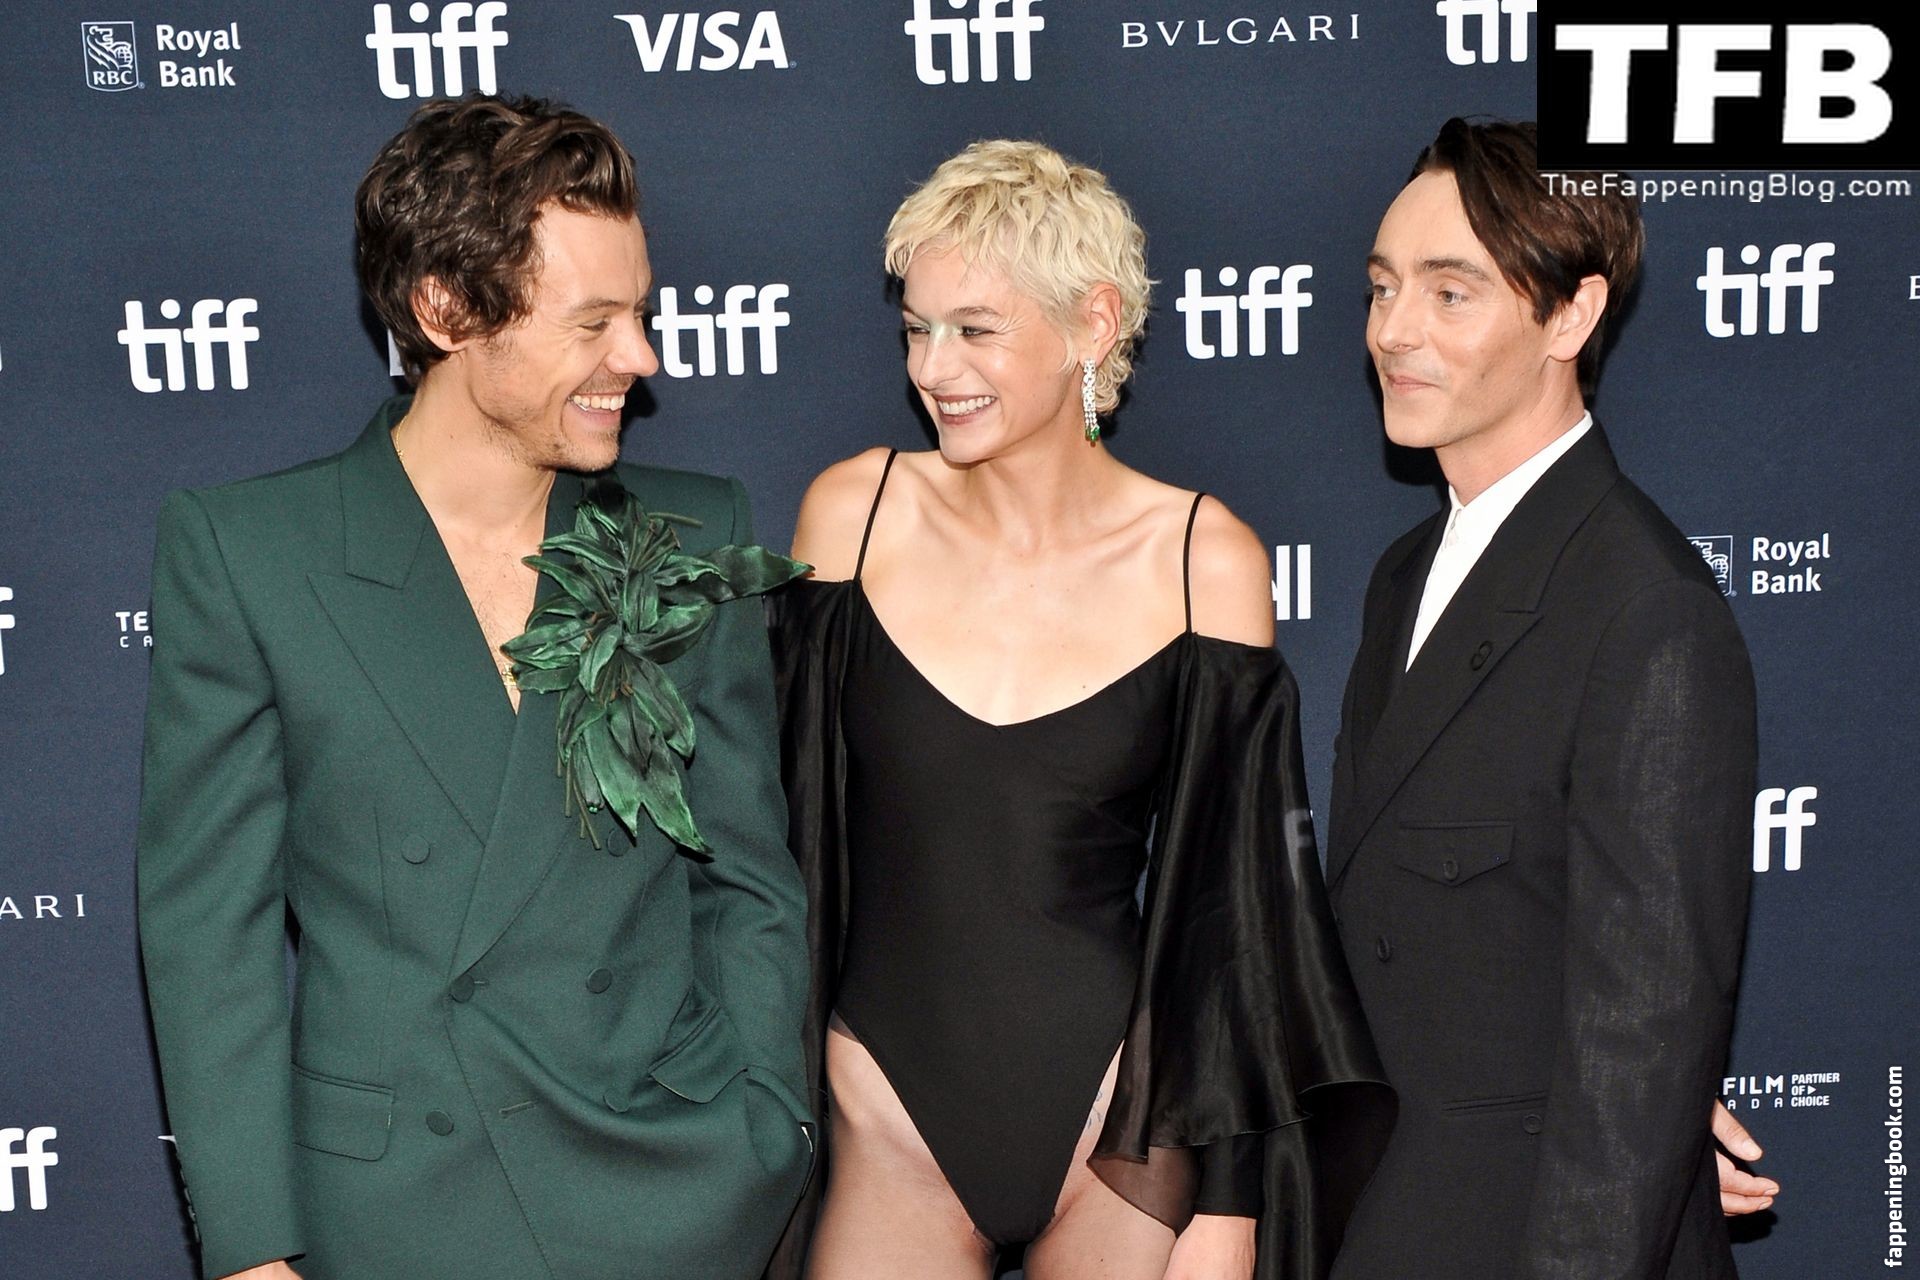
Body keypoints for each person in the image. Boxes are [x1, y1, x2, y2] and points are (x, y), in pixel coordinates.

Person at [136, 95, 811, 1280]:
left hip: (675, 1189)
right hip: (404, 1208)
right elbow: (209, 938)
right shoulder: (252, 554)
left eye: (640, 313)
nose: (641, 358)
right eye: (593, 321)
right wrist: (249, 1251)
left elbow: (749, 877)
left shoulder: (689, 536)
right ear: (446, 309)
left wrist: (768, 1125)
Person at [767, 140, 1393, 1280]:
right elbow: (783, 836)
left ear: (1093, 324)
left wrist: (1228, 1203)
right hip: (884, 1119)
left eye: (976, 328)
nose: (935, 367)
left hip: (1122, 1125)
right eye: (917, 328)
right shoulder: (854, 516)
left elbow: (1240, 904)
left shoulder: (1202, 558)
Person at [1326, 117, 1761, 1278]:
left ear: (1571, 315)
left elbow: (1642, 1034)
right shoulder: (1404, 576)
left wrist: (1657, 1133)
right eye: (1381, 286)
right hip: (1395, 1217)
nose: (1394, 329)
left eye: (1450, 292)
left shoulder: (1647, 612)